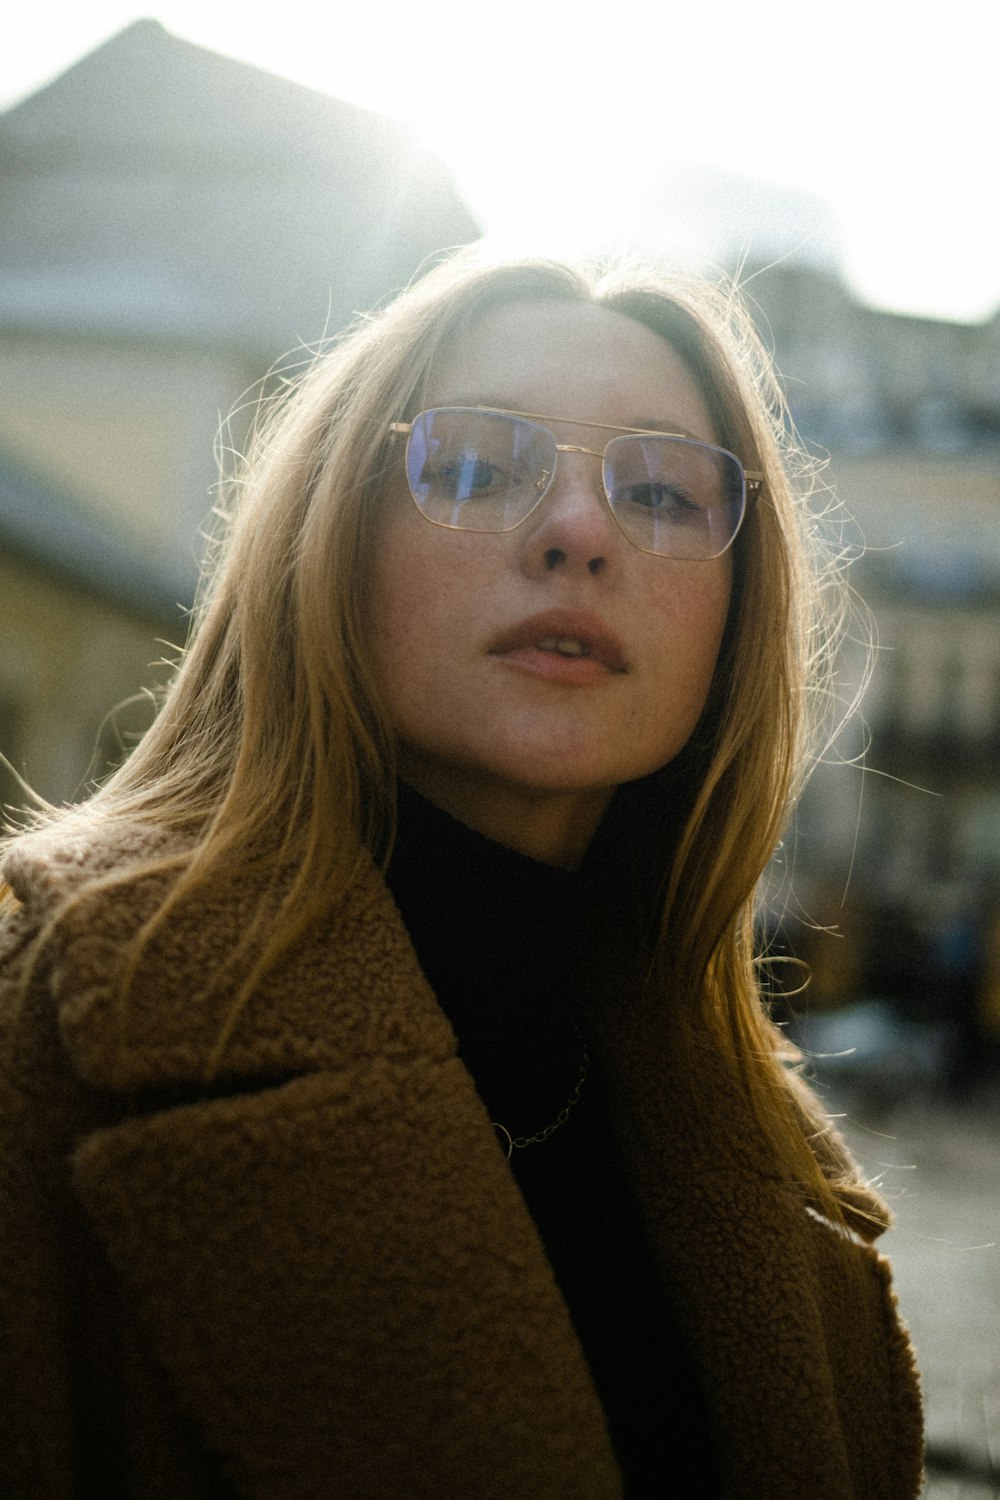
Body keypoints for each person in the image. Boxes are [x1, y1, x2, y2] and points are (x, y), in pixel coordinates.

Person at [0, 248, 923, 1498]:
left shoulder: (768, 1181)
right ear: (330, 536)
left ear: (736, 613)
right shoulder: (42, 1016)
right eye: (479, 467)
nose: (581, 533)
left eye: (660, 495)